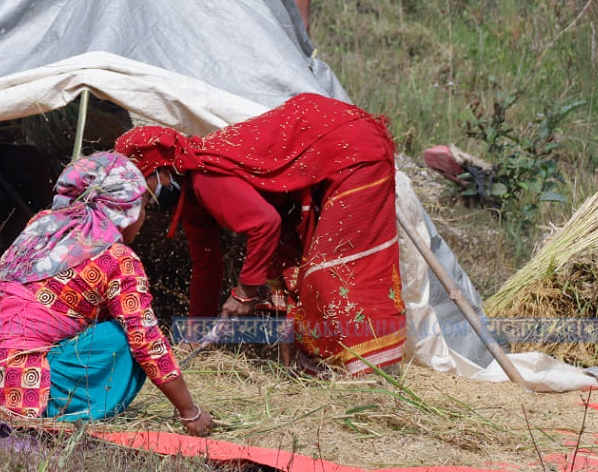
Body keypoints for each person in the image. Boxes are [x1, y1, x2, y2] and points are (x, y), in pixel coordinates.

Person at [114, 93, 405, 376]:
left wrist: (244, 293)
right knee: (285, 270)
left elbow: (264, 224)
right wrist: (195, 333)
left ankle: (372, 371)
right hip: (334, 142)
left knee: (331, 273)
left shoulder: (204, 178)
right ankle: (317, 366)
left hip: (351, 147)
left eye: (139, 182)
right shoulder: (192, 196)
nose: (139, 195)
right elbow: (207, 266)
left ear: (161, 171)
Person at [0, 151, 214, 435]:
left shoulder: (42, 226)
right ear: (123, 210)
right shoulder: (117, 258)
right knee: (123, 340)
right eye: (142, 205)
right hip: (13, 385)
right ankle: (66, 409)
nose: (144, 217)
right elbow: (146, 340)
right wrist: (189, 412)